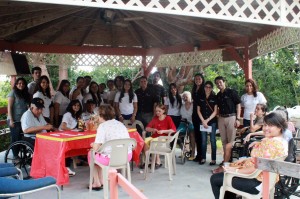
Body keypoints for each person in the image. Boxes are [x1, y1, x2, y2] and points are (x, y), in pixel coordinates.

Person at [210, 112, 288, 199]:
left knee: (215, 179)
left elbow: (254, 169)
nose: (266, 128)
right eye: (265, 125)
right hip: (268, 180)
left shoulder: (271, 144)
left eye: (270, 125)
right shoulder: (282, 142)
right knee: (225, 175)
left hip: (256, 182)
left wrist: (234, 170)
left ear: (280, 127)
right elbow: (263, 161)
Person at [88, 104, 132, 190]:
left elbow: (96, 148)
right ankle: (101, 180)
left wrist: (93, 145)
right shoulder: (120, 124)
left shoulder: (102, 126)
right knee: (100, 154)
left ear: (101, 116)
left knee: (91, 153)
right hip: (126, 157)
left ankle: (97, 182)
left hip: (111, 159)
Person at [214, 76, 241, 173]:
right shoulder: (218, 95)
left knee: (230, 142)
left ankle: (226, 164)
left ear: (224, 82)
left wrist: (237, 119)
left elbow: (238, 105)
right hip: (221, 118)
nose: (219, 84)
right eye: (217, 83)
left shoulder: (231, 92)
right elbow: (216, 108)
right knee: (224, 141)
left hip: (231, 117)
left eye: (220, 82)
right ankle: (226, 161)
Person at [143, 104, 176, 169]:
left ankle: (158, 161)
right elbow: (147, 128)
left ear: (164, 111)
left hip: (163, 138)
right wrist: (153, 129)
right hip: (154, 137)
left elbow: (173, 130)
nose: (157, 113)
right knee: (144, 141)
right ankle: (148, 162)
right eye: (156, 111)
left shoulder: (168, 118)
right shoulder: (155, 118)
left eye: (159, 111)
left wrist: (163, 131)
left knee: (154, 142)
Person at [7, 77, 31, 158]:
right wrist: (11, 120)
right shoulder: (13, 92)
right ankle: (15, 156)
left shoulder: (25, 94)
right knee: (16, 138)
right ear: (16, 84)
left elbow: (28, 107)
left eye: (23, 83)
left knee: (23, 138)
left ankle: (24, 155)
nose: (21, 85)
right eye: (19, 83)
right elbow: (9, 107)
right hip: (14, 120)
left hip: (23, 120)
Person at [197, 81, 218, 165]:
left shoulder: (214, 97)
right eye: (206, 87)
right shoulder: (200, 97)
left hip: (212, 121)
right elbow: (198, 110)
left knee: (213, 140)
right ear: (204, 87)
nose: (208, 88)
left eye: (209, 87)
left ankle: (213, 159)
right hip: (202, 121)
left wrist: (207, 120)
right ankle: (203, 158)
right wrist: (203, 121)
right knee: (203, 140)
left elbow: (215, 111)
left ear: (212, 88)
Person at [177, 91, 195, 161]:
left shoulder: (193, 105)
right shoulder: (182, 105)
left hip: (192, 122)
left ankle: (193, 153)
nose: (184, 98)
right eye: (183, 96)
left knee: (192, 133)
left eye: (186, 96)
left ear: (190, 97)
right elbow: (182, 116)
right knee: (177, 133)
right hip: (184, 122)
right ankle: (184, 151)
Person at [191, 73, 205, 163]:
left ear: (202, 79)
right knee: (197, 136)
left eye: (199, 79)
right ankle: (198, 155)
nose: (198, 80)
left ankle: (202, 156)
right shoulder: (194, 89)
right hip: (195, 114)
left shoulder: (204, 88)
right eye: (196, 79)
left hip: (202, 114)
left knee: (202, 136)